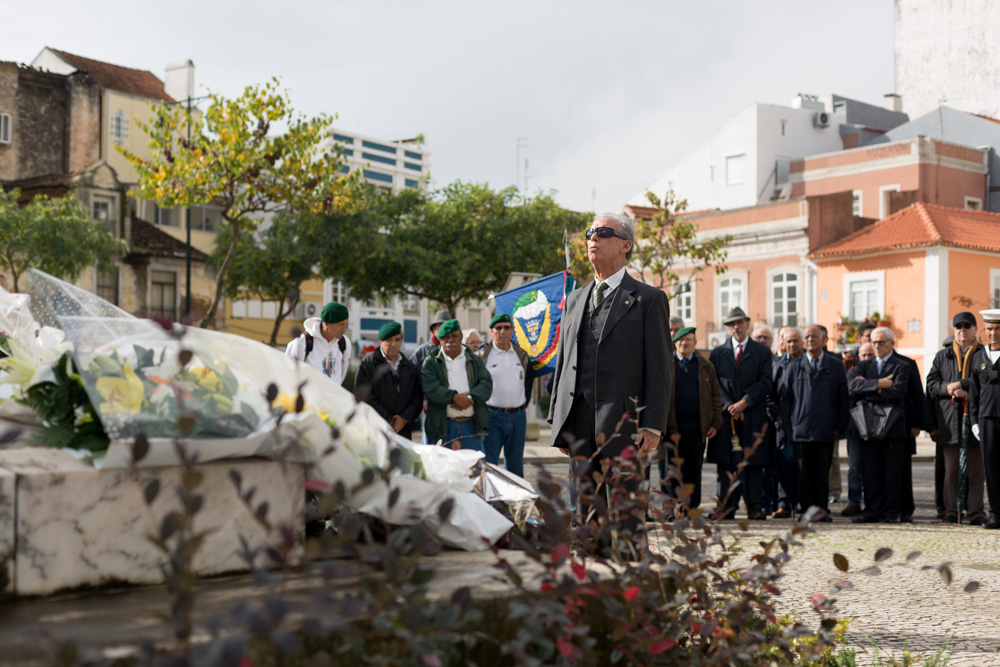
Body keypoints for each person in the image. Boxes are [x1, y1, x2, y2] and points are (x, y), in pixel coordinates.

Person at [548, 212, 672, 539]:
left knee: (626, 506)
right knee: (587, 505)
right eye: (590, 232)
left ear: (626, 245)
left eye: (603, 232)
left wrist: (654, 424)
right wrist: (557, 419)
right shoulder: (575, 299)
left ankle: (630, 571)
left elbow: (661, 367)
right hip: (578, 419)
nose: (593, 238)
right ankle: (595, 572)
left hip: (625, 422)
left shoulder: (649, 299)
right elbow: (564, 360)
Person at [707, 307, 774, 520]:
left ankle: (753, 507)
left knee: (752, 462)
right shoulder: (718, 353)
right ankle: (726, 506)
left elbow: (765, 382)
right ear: (728, 328)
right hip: (727, 418)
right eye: (732, 324)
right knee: (726, 463)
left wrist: (745, 402)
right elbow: (715, 383)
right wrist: (730, 405)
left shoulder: (762, 352)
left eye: (740, 323)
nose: (736, 327)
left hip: (752, 414)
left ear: (748, 324)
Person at [778, 325, 850, 520]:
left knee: (821, 474)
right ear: (803, 342)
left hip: (826, 430)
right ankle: (807, 512)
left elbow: (843, 399)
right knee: (804, 475)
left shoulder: (835, 366)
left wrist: (839, 426)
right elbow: (785, 400)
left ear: (824, 340)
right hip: (800, 430)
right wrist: (787, 427)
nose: (811, 340)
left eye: (815, 336)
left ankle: (822, 511)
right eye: (807, 337)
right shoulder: (793, 367)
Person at [926, 311, 986, 525]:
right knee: (951, 472)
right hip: (950, 421)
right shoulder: (942, 356)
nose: (962, 330)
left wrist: (971, 392)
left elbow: (989, 384)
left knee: (977, 472)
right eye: (958, 326)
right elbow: (931, 386)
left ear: (974, 329)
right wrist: (948, 387)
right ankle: (952, 511)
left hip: (977, 419)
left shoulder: (983, 353)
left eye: (967, 326)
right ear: (954, 330)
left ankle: (976, 512)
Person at [848, 326, 911, 523]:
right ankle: (872, 510)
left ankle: (891, 512)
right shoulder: (863, 366)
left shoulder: (901, 366)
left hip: (893, 426)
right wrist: (879, 384)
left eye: (881, 342)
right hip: (869, 425)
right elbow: (852, 386)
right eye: (874, 342)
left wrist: (867, 388)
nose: (876, 346)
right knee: (870, 470)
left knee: (892, 471)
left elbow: (897, 392)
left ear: (892, 343)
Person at [663, 326, 722, 514]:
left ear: (695, 343)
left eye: (688, 339)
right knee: (671, 470)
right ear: (675, 343)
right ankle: (673, 508)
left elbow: (715, 396)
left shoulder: (706, 366)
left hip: (697, 426)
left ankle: (691, 508)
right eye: (681, 340)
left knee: (694, 469)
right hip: (672, 426)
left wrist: (715, 423)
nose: (684, 343)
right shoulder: (666, 364)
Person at [421, 319, 492, 450]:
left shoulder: (474, 360)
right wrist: (454, 398)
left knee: (472, 468)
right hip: (442, 426)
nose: (450, 340)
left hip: (471, 425)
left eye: (454, 336)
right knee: (442, 468)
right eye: (445, 337)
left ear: (460, 337)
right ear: (439, 339)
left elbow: (486, 384)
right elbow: (431, 388)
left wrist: (470, 398)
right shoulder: (431, 362)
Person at [479, 313, 534, 478]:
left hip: (518, 417)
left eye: (506, 327)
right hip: (492, 417)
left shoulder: (521, 355)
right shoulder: (482, 356)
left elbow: (528, 383)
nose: (502, 331)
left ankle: (515, 502)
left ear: (512, 331)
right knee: (489, 466)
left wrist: (522, 406)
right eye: (498, 328)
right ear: (492, 331)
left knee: (516, 467)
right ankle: (488, 503)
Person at [354, 321, 423, 440]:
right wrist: (388, 419)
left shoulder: (409, 367)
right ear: (380, 342)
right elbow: (363, 396)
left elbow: (417, 398)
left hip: (403, 432)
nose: (393, 344)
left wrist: (404, 418)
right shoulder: (368, 364)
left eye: (397, 340)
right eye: (389, 340)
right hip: (376, 430)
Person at [969, 308, 1000, 529]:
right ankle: (996, 515)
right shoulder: (979, 357)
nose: (993, 333)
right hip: (986, 418)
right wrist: (974, 422)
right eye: (989, 328)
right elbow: (974, 392)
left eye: (998, 328)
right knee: (991, 468)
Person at [771, 327, 803, 518]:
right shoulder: (777, 364)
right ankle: (784, 503)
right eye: (788, 341)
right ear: (782, 342)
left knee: (802, 465)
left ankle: (801, 502)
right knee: (783, 464)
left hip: (804, 423)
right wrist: (777, 416)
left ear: (802, 342)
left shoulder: (808, 362)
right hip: (783, 423)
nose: (791, 345)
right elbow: (771, 393)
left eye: (795, 341)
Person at [841, 342, 875, 517]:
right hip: (854, 426)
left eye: (870, 355)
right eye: (864, 355)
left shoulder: (878, 369)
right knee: (854, 466)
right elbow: (850, 388)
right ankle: (854, 502)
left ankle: (872, 503)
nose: (867, 359)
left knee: (872, 467)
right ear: (858, 357)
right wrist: (876, 385)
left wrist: (866, 384)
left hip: (876, 427)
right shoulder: (853, 371)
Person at [285, 301, 351, 385]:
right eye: (341, 324)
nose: (345, 329)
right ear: (326, 324)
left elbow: (341, 376)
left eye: (346, 324)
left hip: (333, 397)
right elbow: (289, 376)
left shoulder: (344, 344)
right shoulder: (301, 343)